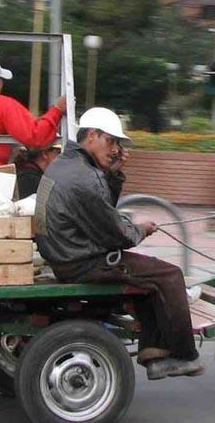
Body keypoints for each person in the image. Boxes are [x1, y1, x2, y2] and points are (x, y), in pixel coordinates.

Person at [35, 107, 204, 381]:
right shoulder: (83, 177)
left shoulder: (67, 165)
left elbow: (103, 210)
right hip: (82, 261)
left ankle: (153, 349)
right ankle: (184, 355)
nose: (115, 149)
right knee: (170, 276)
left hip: (67, 254)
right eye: (111, 141)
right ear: (92, 135)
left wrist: (113, 174)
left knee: (149, 278)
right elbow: (116, 233)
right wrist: (141, 230)